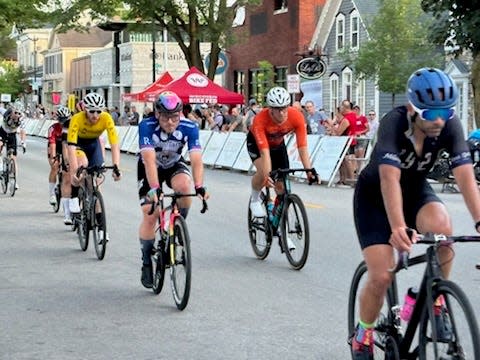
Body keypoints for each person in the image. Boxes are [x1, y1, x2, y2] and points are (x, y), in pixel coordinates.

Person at [350, 67, 480, 359]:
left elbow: (465, 175)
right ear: (412, 107)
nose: (437, 120)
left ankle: (433, 302)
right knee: (382, 275)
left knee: (443, 231)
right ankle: (363, 333)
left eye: (444, 113)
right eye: (429, 113)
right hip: (375, 198)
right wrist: (397, 227)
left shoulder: (449, 125)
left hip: (415, 192)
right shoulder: (393, 123)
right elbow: (389, 179)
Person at [137, 91, 208, 289]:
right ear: (157, 114)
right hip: (150, 168)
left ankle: (177, 226)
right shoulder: (146, 126)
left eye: (175, 117)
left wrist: (199, 186)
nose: (170, 122)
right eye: (166, 117)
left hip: (174, 164)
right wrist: (155, 189)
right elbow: (149, 160)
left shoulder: (190, 126)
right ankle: (146, 262)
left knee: (186, 188)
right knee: (150, 214)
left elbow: (195, 159)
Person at [247, 86, 318, 250]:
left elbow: (302, 147)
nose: (282, 114)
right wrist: (267, 175)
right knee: (264, 172)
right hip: (257, 145)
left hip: (278, 146)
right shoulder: (260, 120)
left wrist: (309, 171)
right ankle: (255, 198)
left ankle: (281, 230)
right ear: (270, 109)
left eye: (284, 108)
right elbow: (264, 154)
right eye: (277, 110)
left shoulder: (297, 116)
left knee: (282, 188)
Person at [67, 92, 122, 240]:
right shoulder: (77, 119)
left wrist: (116, 166)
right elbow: (71, 148)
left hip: (94, 145)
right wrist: (74, 172)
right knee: (81, 165)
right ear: (85, 109)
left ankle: (101, 228)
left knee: (97, 185)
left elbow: (115, 144)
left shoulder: (106, 118)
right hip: (78, 145)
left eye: (99, 111)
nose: (96, 115)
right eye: (92, 111)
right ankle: (73, 196)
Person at [0, 102, 26, 190]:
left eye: (19, 113)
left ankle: (15, 181)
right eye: (15, 113)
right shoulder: (6, 113)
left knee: (13, 157)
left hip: (12, 134)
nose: (17, 115)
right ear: (12, 112)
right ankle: (0, 166)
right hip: (2, 131)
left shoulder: (21, 119)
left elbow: (22, 131)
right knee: (0, 145)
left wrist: (23, 142)